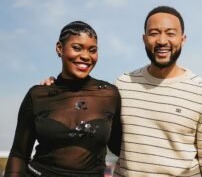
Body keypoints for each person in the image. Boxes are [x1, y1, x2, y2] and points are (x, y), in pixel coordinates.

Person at [112, 6, 202, 176]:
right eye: (154, 33)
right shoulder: (123, 85)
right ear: (144, 39)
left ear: (183, 39)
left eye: (170, 33)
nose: (162, 41)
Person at [5, 21, 121, 177]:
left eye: (92, 50)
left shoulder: (109, 95)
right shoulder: (38, 95)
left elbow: (121, 146)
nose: (86, 56)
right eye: (77, 48)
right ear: (59, 48)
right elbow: (19, 154)